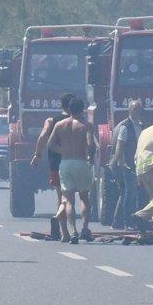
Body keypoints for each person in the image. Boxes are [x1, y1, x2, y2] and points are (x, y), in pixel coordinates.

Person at [49, 97, 97, 244]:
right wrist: (91, 157)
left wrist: (63, 151)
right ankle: (85, 228)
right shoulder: (86, 125)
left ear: (69, 109)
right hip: (81, 161)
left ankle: (73, 231)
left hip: (65, 163)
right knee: (84, 197)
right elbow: (91, 144)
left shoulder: (60, 124)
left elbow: (51, 144)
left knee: (69, 200)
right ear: (82, 110)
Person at [31, 93, 74, 237]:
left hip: (56, 163)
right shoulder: (78, 121)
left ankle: (63, 231)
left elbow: (43, 136)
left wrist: (37, 155)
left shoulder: (51, 121)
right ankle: (71, 230)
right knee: (73, 198)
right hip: (74, 162)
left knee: (61, 197)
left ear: (60, 105)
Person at [109, 99, 143, 229]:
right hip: (124, 165)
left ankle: (116, 223)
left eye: (139, 109)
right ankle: (127, 222)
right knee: (130, 194)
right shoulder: (125, 126)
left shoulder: (138, 125)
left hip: (132, 164)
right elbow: (119, 147)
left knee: (124, 194)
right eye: (135, 109)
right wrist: (122, 163)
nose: (137, 111)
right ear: (130, 110)